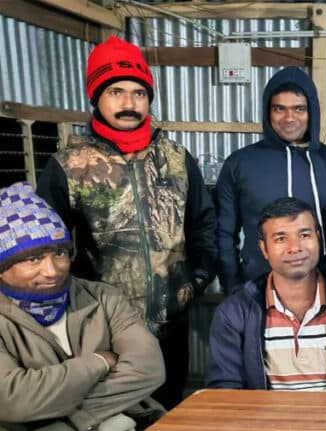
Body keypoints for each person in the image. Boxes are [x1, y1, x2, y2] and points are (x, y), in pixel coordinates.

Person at [36, 36, 217, 410]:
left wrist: (195, 282)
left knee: (168, 413)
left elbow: (203, 225)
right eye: (116, 92)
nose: (129, 103)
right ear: (96, 97)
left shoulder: (177, 159)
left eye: (139, 93)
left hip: (171, 322)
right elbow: (47, 247)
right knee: (112, 417)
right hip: (102, 327)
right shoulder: (68, 165)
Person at [0, 182, 165, 431]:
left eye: (59, 254)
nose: (52, 270)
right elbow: (14, 400)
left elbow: (149, 369)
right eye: (33, 259)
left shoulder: (102, 297)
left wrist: (72, 416)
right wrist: (98, 363)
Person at [205, 197, 326, 392]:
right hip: (261, 413)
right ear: (264, 249)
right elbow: (225, 390)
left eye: (304, 235)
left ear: (318, 238)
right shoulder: (234, 313)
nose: (295, 247)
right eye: (281, 239)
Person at [215, 66, 326, 295]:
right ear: (268, 112)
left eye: (299, 109)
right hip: (259, 293)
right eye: (279, 109)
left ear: (311, 112)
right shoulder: (239, 163)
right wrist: (233, 287)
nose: (289, 118)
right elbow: (223, 233)